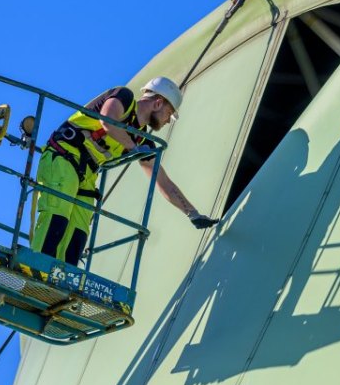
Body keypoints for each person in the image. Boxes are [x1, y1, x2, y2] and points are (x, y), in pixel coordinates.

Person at [31, 77, 219, 265]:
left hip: (86, 174)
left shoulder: (142, 140)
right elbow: (108, 121)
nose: (167, 122)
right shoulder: (123, 97)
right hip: (62, 156)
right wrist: (133, 148)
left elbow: (162, 180)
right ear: (158, 103)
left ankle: (61, 279)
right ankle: (36, 268)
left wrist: (192, 213)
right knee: (57, 216)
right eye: (168, 114)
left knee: (78, 231)